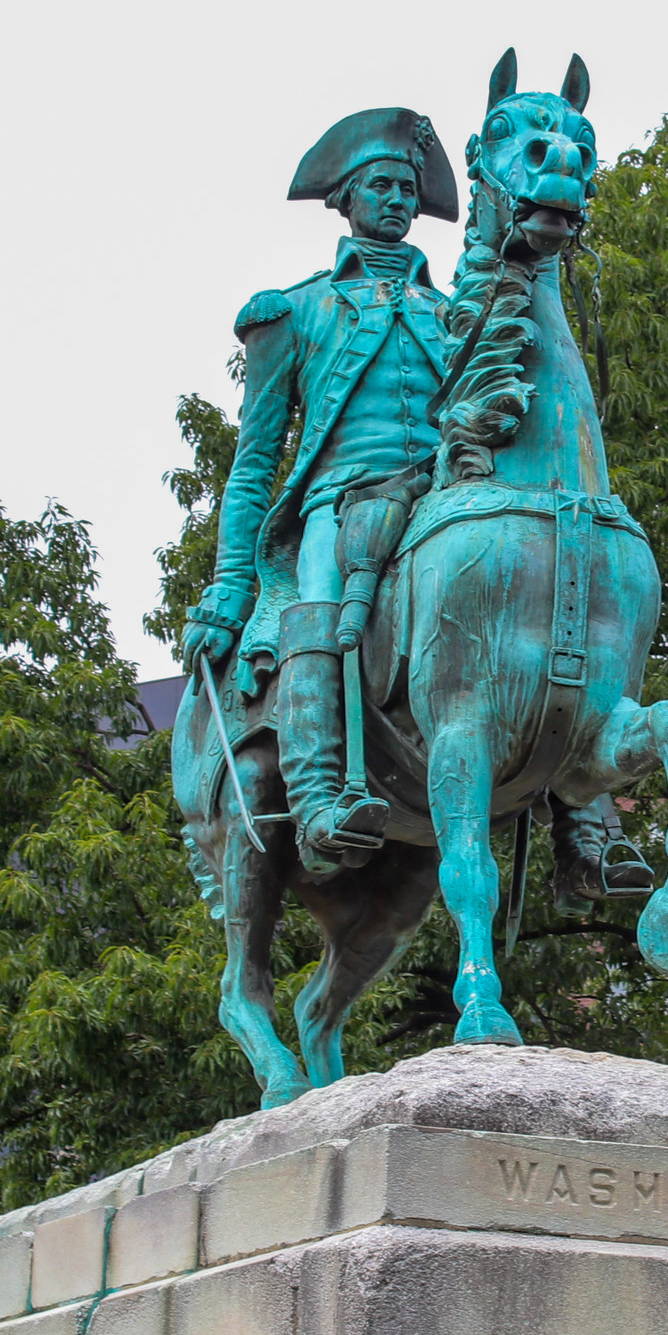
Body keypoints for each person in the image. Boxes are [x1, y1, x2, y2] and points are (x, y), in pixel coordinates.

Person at [184, 106, 459, 874]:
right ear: (346, 199)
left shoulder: (455, 315)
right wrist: (229, 586)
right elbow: (254, 460)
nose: (398, 200)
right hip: (336, 507)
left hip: (440, 500)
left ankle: (580, 814)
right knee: (317, 607)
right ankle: (315, 799)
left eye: (408, 188)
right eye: (381, 185)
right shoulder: (296, 310)